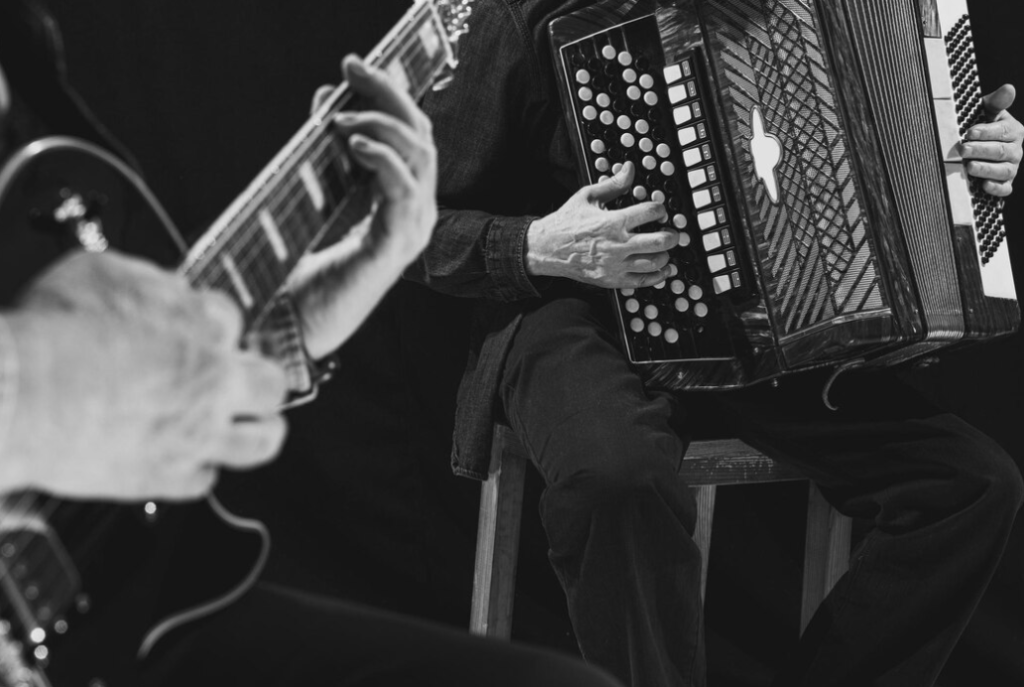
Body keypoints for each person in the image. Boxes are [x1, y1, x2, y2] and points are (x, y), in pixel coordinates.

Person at [0, 2, 622, 686]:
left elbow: (120, 382)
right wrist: (30, 389)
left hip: (101, 610)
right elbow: (62, 387)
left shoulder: (20, 57)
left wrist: (306, 312)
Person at [412, 1, 1024, 685]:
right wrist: (539, 245)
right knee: (616, 479)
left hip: (766, 324)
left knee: (971, 485)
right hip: (576, 306)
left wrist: (969, 152)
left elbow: (900, 126)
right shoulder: (512, 13)